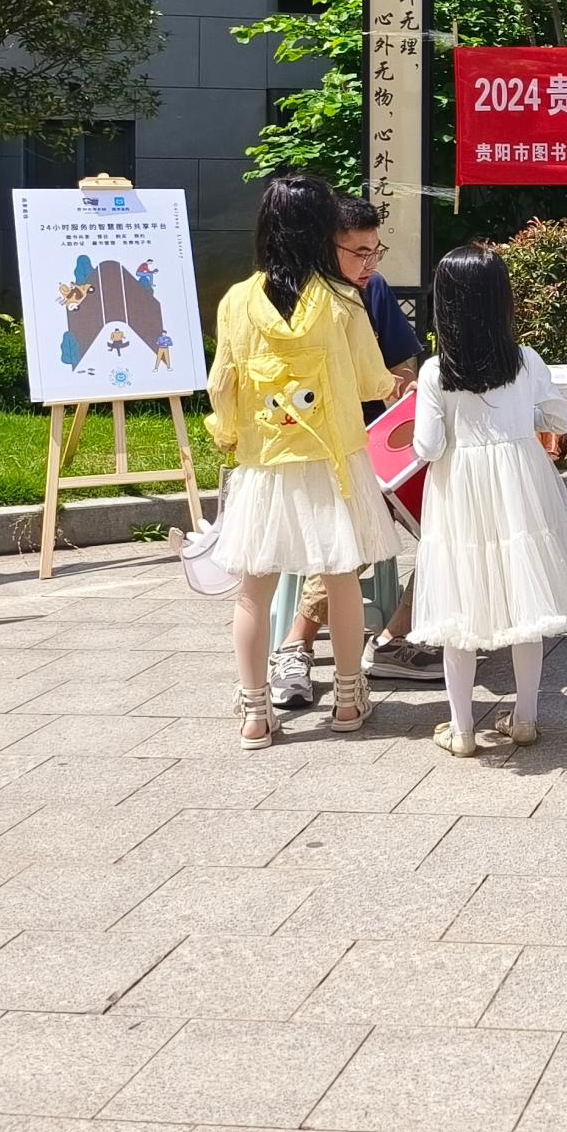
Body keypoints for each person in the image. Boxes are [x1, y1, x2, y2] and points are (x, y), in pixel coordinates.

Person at [206, 173, 409, 747]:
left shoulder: (236, 301)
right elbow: (375, 378)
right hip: (336, 461)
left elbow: (222, 382)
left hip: (266, 463)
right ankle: (348, 700)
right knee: (342, 579)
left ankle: (254, 712)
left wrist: (224, 433)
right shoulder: (342, 301)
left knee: (255, 588)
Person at [407, 243, 567, 756]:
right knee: (526, 601)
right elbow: (560, 418)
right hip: (520, 483)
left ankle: (463, 729)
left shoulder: (434, 372)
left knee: (460, 607)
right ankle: (527, 717)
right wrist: (522, 420)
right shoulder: (525, 360)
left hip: (460, 491)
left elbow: (429, 446)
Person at [267, 196, 433, 712]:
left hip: (367, 448)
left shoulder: (370, 292)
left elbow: (398, 369)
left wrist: (399, 391)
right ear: (324, 245)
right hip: (290, 453)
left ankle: (375, 639)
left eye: (375, 251)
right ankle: (297, 646)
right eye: (358, 253)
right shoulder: (274, 297)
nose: (370, 265)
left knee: (449, 516)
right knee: (341, 540)